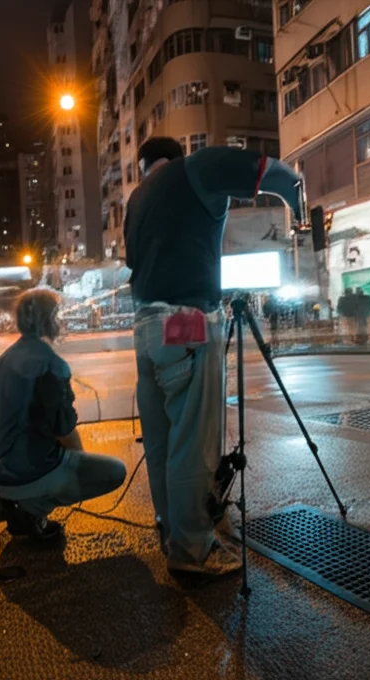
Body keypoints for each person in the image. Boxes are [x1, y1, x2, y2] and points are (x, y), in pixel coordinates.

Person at [125, 138, 303, 576]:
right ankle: (192, 552)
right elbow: (274, 173)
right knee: (193, 443)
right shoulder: (196, 167)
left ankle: (173, 530)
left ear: (144, 165)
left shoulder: (136, 199)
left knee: (164, 443)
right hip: (186, 321)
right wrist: (301, 207)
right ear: (177, 153)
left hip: (146, 328)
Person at [0, 289, 127, 542]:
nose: (62, 322)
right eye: (58, 316)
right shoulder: (49, 363)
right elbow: (64, 430)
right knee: (114, 472)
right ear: (49, 320)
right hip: (20, 472)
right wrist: (79, 466)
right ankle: (29, 510)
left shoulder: (5, 359)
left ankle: (14, 499)